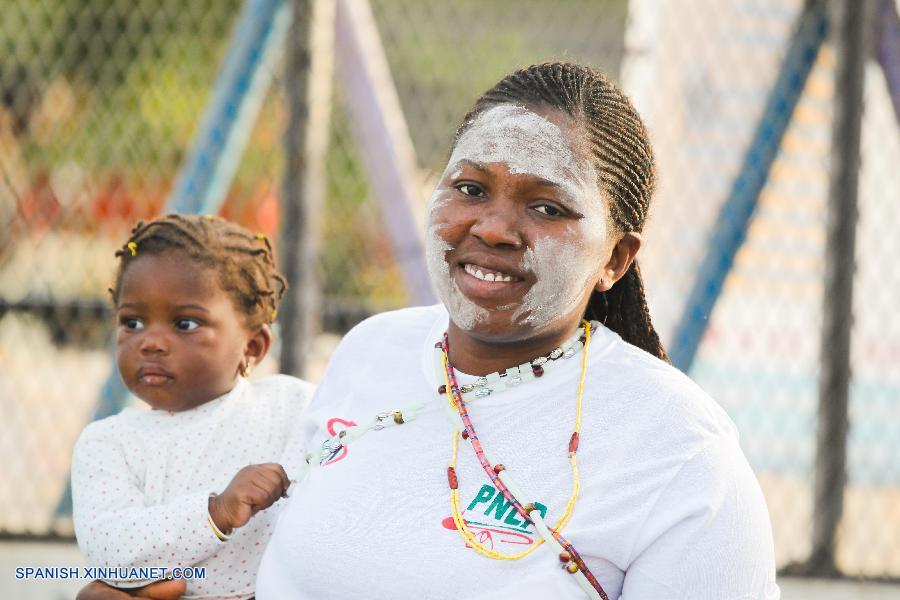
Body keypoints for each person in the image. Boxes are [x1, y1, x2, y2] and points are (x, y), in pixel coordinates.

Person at [78, 62, 779, 599]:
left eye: (546, 206)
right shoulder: (371, 354)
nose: (493, 227)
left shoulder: (681, 456)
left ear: (615, 260)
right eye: (470, 189)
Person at [71, 215, 315, 599]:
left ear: (252, 347)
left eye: (185, 323)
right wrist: (215, 513)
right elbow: (107, 550)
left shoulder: (290, 407)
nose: (150, 342)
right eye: (131, 322)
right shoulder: (108, 442)